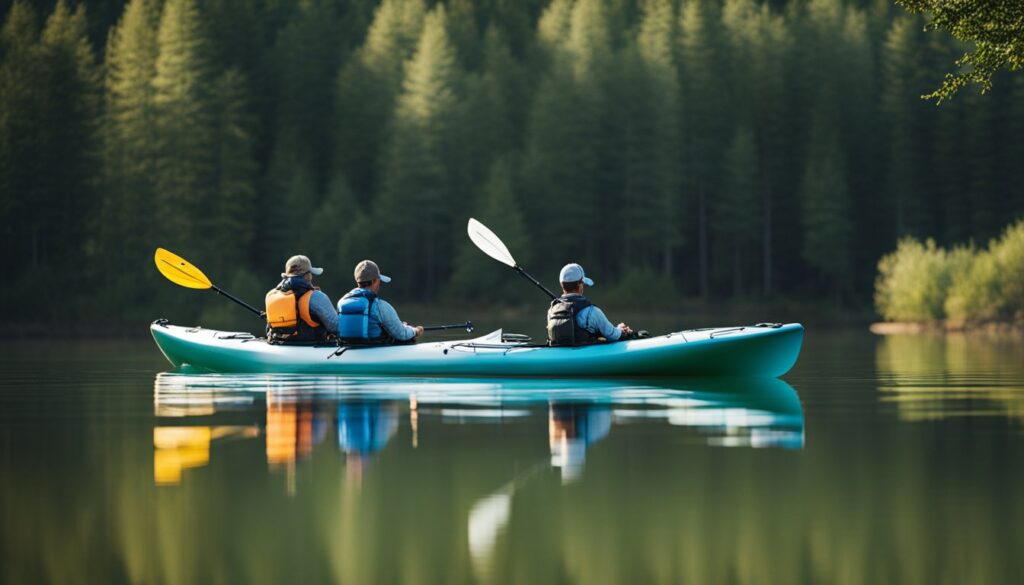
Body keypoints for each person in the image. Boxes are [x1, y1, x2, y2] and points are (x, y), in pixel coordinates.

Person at [337, 260, 423, 343]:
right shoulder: (380, 306)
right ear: (373, 281)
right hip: (374, 349)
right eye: (379, 281)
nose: (380, 285)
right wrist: (415, 330)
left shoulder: (342, 301)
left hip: (348, 349)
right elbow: (401, 334)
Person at [547, 263, 631, 346]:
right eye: (583, 284)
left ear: (562, 285)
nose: (583, 287)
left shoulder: (552, 310)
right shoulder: (592, 312)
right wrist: (620, 329)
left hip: (559, 354)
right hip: (584, 355)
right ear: (579, 285)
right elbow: (613, 335)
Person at [264, 255, 338, 344]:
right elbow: (336, 327)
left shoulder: (272, 296)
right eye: (310, 273)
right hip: (310, 348)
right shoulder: (316, 297)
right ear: (308, 275)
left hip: (279, 345)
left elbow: (268, 329)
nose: (311, 276)